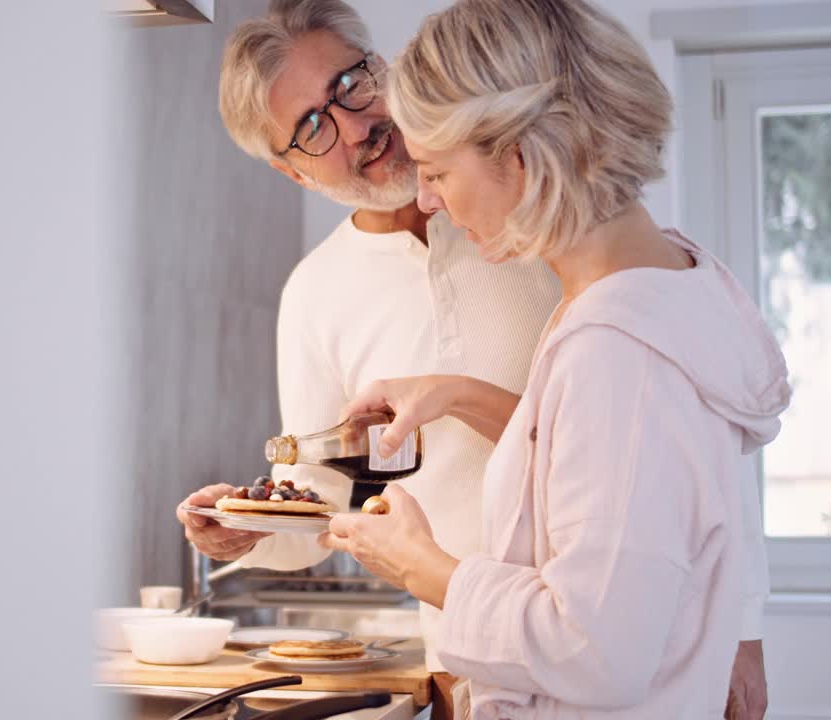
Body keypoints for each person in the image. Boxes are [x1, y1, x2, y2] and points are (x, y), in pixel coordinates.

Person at [318, 1, 791, 718]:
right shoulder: (666, 285)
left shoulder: (615, 351)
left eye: (438, 172)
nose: (428, 199)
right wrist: (457, 392)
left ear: (522, 156)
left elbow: (595, 651)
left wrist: (427, 567)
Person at [174, 2, 558, 717]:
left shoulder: (534, 203)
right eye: (312, 127)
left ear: (383, 68)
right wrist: (249, 533)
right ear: (294, 174)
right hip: (466, 657)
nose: (356, 125)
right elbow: (319, 508)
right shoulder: (315, 294)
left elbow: (671, 416)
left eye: (351, 83)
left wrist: (744, 629)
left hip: (614, 622)